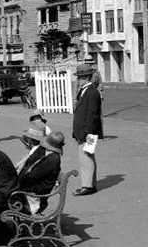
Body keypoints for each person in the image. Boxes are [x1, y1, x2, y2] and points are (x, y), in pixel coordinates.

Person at [72, 64, 103, 197]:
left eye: (79, 78)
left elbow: (93, 115)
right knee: (85, 157)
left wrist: (86, 132)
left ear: (84, 78)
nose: (77, 81)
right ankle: (90, 183)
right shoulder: (85, 91)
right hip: (84, 132)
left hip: (88, 133)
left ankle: (88, 186)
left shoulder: (92, 92)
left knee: (86, 158)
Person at [18, 131, 65, 214]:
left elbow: (31, 177)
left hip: (33, 199)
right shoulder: (50, 156)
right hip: (33, 193)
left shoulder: (52, 160)